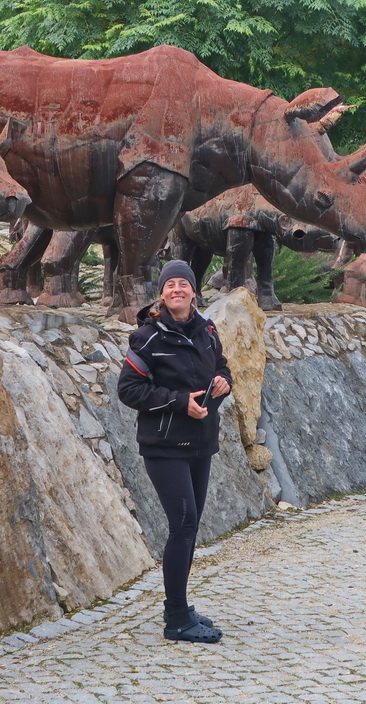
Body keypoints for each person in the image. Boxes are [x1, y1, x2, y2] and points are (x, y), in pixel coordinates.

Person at [117, 259, 232, 643]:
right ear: (162, 293)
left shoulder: (207, 330)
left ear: (194, 291)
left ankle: (178, 607)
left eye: (184, 283)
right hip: (164, 445)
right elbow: (129, 390)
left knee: (191, 525)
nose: (177, 290)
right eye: (170, 285)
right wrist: (179, 402)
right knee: (181, 525)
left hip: (201, 441)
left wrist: (222, 382)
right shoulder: (148, 337)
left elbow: (223, 366)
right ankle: (177, 621)